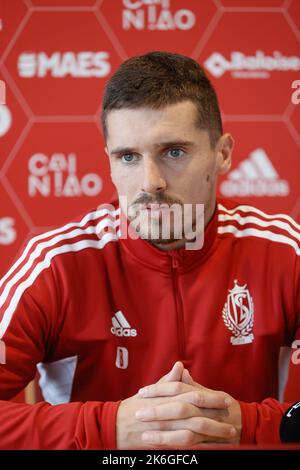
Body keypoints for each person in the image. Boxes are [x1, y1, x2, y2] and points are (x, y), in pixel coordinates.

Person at [0, 51, 299, 450]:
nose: (150, 181)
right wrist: (109, 427)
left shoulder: (285, 254)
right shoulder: (56, 266)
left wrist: (248, 424)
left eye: (174, 152)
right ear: (108, 162)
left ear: (223, 154)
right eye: (128, 156)